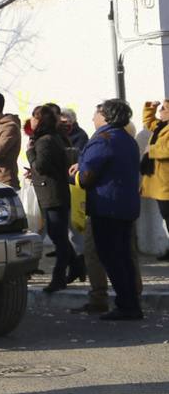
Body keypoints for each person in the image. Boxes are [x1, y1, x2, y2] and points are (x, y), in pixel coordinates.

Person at [72, 99, 143, 321]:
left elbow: (86, 178)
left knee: (112, 257)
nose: (93, 118)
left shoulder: (103, 140)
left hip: (107, 207)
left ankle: (127, 305)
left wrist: (74, 173)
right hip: (126, 206)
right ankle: (130, 303)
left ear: (105, 116)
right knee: (124, 257)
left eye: (96, 113)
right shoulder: (126, 139)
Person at [27, 105, 82, 293]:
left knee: (58, 238)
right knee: (58, 236)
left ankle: (59, 278)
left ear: (41, 121)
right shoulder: (54, 138)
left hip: (52, 195)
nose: (31, 121)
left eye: (34, 117)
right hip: (53, 193)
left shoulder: (44, 141)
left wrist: (30, 153)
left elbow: (41, 166)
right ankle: (76, 265)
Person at [140, 99, 169, 262]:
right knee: (166, 216)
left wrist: (151, 149)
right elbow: (148, 122)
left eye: (164, 109)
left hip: (166, 182)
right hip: (159, 181)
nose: (161, 112)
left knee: (168, 215)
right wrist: (150, 108)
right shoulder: (161, 126)